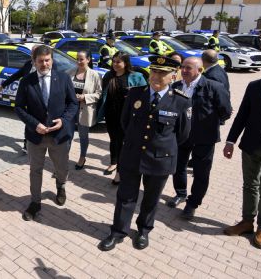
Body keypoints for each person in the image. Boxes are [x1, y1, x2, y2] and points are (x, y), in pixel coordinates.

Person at [98, 55, 191, 251]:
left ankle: (143, 230)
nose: (157, 76)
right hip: (132, 155)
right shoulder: (134, 94)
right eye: (154, 71)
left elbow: (182, 135)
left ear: (173, 77)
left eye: (163, 73)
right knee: (125, 196)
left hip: (160, 159)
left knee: (151, 198)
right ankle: (118, 231)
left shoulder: (180, 102)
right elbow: (125, 123)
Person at [15, 44, 78, 220]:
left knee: (61, 167)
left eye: (47, 60)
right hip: (36, 137)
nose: (44, 64)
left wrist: (64, 120)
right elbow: (19, 108)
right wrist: (35, 124)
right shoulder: (26, 82)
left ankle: (60, 186)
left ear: (52, 60)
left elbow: (73, 103)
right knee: (35, 170)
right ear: (34, 62)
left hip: (59, 135)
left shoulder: (64, 78)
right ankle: (35, 202)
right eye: (41, 61)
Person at [167, 57, 232, 219]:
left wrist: (208, 123)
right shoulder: (176, 86)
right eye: (182, 67)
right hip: (181, 137)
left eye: (188, 68)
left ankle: (193, 203)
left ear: (200, 70)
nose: (183, 70)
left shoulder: (214, 87)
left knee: (201, 172)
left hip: (204, 138)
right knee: (178, 167)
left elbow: (226, 111)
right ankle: (180, 193)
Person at [222, 63, 261, 248]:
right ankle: (247, 221)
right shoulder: (254, 86)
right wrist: (230, 140)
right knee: (250, 185)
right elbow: (242, 115)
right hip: (251, 145)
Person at [97, 52, 147, 184]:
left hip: (126, 117)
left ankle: (120, 171)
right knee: (114, 140)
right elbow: (102, 94)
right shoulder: (109, 75)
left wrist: (133, 94)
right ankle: (113, 162)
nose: (115, 64)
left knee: (122, 143)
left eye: (118, 62)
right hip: (110, 115)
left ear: (126, 63)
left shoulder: (136, 76)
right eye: (113, 61)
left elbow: (145, 96)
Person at [72, 50, 103, 170]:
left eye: (81, 59)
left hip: (84, 110)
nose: (79, 61)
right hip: (70, 109)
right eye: (77, 59)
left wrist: (85, 97)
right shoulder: (70, 72)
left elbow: (99, 94)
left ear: (88, 60)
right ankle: (63, 158)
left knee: (83, 136)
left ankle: (82, 157)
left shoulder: (95, 75)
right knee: (67, 135)